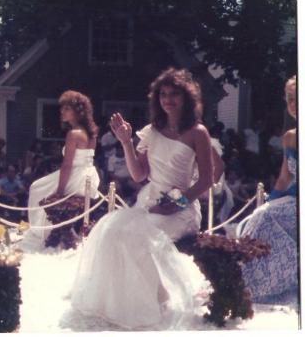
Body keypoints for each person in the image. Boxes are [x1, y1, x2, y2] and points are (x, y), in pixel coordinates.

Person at [71, 68, 213, 330]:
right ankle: (120, 304)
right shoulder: (152, 131)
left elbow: (206, 180)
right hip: (149, 203)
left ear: (187, 98)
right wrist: (125, 142)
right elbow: (138, 175)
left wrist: (177, 203)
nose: (168, 100)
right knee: (112, 233)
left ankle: (149, 305)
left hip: (183, 208)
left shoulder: (197, 132)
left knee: (139, 238)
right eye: (163, 95)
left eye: (174, 95)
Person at [236, 75, 298, 306]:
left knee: (267, 217)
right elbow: (284, 178)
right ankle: (244, 284)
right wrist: (268, 204)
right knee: (258, 217)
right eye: (290, 99)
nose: (294, 104)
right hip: (292, 202)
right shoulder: (290, 137)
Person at [23, 90, 100, 249]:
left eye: (66, 109)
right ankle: (56, 232)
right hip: (90, 176)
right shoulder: (92, 132)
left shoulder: (74, 134)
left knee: (36, 187)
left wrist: (59, 191)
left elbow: (67, 165)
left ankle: (42, 233)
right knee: (41, 186)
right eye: (62, 108)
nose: (62, 112)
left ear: (77, 111)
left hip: (78, 176)